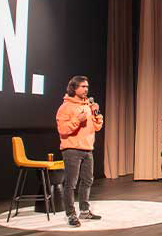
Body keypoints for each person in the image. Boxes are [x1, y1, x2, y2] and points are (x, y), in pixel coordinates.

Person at [56, 75, 105, 227]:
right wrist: (78, 119)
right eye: (83, 86)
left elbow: (97, 128)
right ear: (73, 88)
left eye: (87, 87)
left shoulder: (88, 106)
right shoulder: (65, 107)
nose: (86, 89)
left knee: (88, 180)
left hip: (87, 149)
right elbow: (63, 130)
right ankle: (71, 215)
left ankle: (84, 211)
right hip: (72, 150)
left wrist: (97, 115)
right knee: (71, 183)